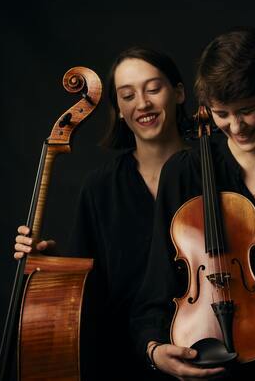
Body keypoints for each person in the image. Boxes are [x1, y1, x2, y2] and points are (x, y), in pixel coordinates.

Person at [130, 27, 255, 380]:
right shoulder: (184, 172)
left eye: (247, 110)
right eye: (221, 114)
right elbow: (155, 289)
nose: (236, 126)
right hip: (211, 367)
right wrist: (153, 350)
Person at [13, 46, 189, 380]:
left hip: (202, 347)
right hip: (122, 360)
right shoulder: (100, 187)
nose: (143, 103)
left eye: (153, 89)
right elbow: (90, 288)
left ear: (178, 93)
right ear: (119, 111)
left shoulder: (212, 174)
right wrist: (50, 262)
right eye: (128, 95)